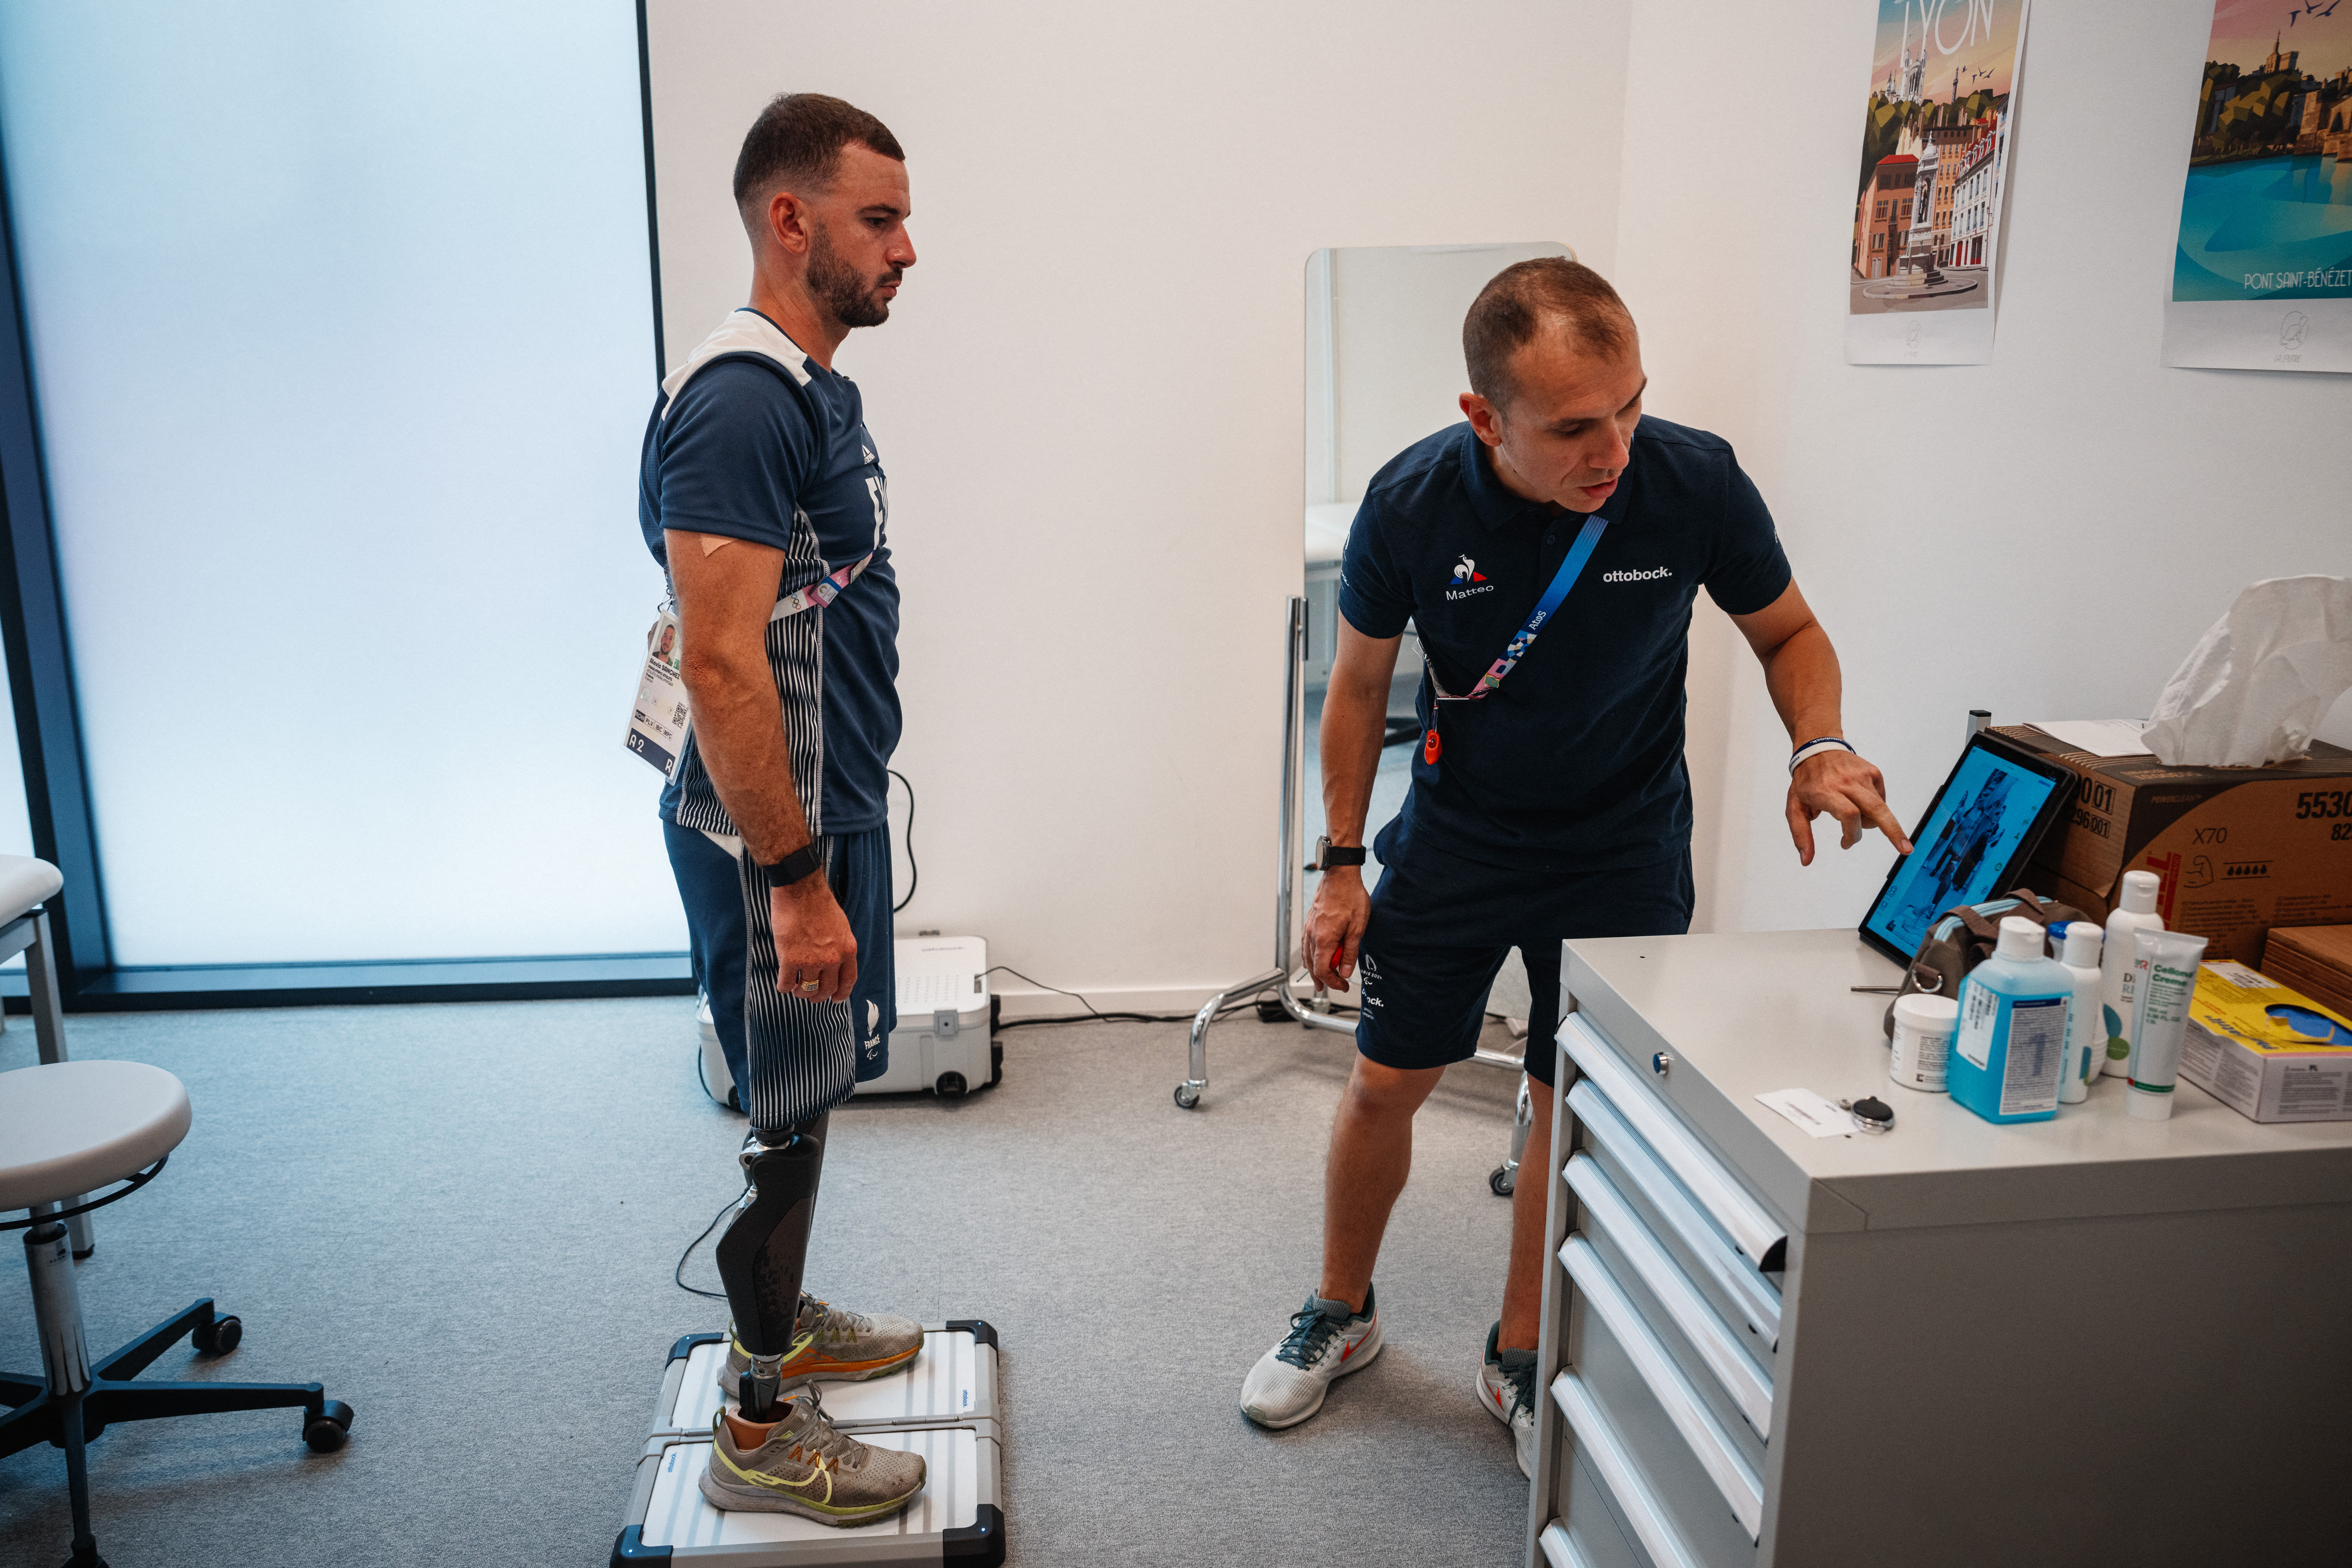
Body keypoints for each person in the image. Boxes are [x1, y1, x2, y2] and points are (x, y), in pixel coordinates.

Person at [1236, 259, 1911, 1477]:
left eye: (1630, 407)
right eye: (1574, 426)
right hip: (1457, 833)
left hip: (1626, 844)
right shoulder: (1412, 504)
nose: (1615, 447)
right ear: (1483, 418)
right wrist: (1340, 866)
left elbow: (1788, 630)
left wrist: (1821, 741)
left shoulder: (1693, 480)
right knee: (1389, 1080)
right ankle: (1344, 1308)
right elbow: (1354, 683)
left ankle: (1518, 1348)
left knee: (1566, 1093)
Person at [637, 92, 929, 1526]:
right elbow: (716, 658)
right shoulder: (741, 401)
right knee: (786, 1113)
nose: (908, 249)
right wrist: (799, 878)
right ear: (790, 220)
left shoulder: (818, 386)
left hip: (832, 811)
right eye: (880, 219)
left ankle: (785, 1314)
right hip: (780, 838)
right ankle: (759, 1425)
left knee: (809, 1097)